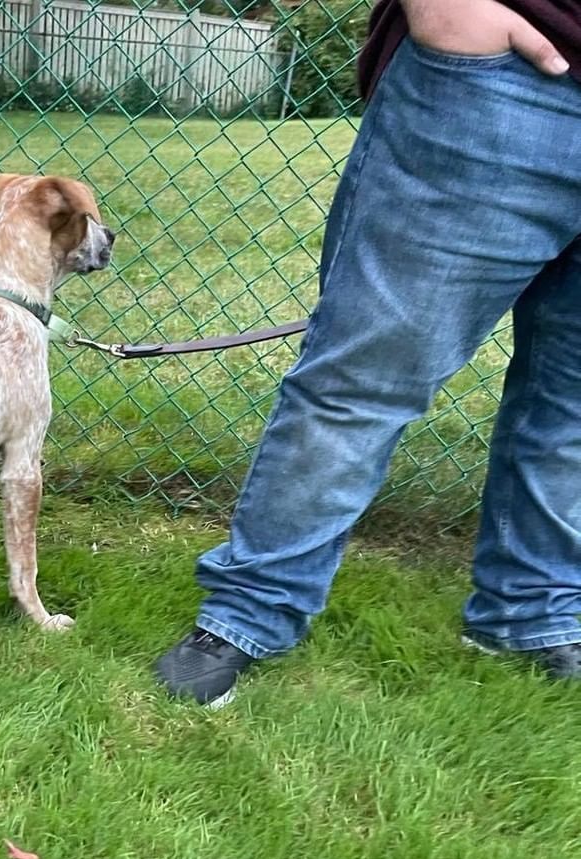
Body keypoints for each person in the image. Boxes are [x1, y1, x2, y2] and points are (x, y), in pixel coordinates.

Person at [156, 0, 581, 707]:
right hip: (505, 84)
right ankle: (251, 613)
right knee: (364, 380)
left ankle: (532, 614)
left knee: (574, 405)